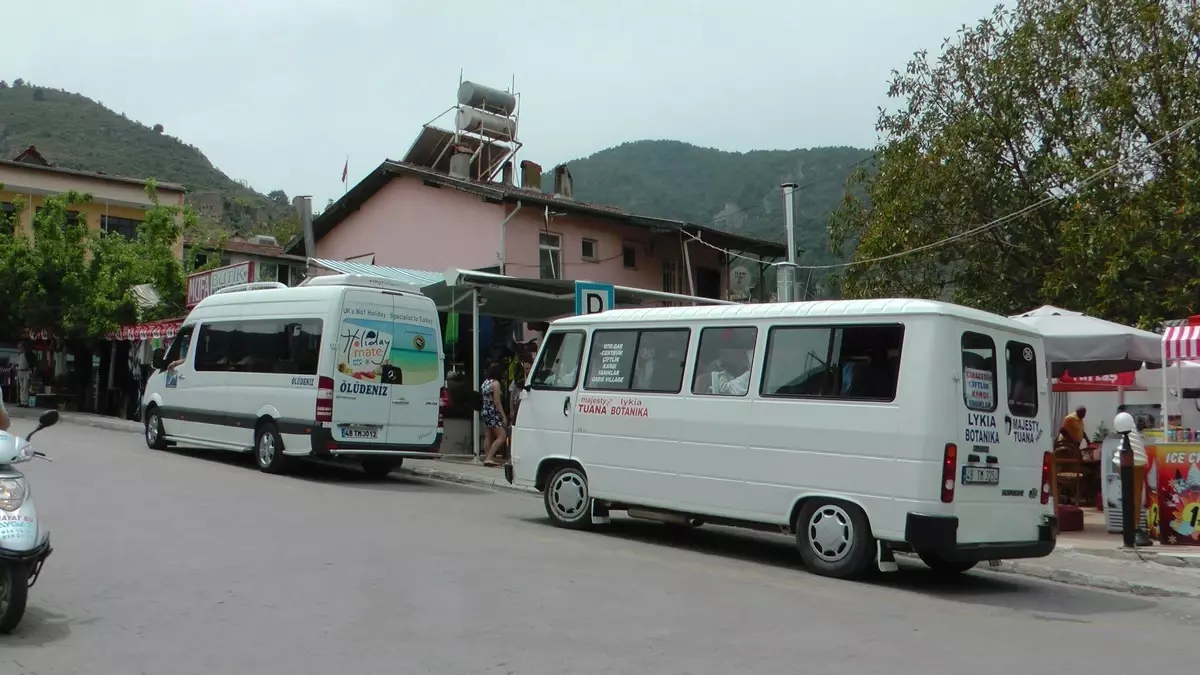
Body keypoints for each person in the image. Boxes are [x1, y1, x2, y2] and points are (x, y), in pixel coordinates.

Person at [480, 364, 508, 467]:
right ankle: (489, 457)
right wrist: (503, 416)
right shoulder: (496, 384)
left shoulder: (485, 383)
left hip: (485, 410)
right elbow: (497, 401)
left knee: (488, 436)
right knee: (502, 436)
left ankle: (488, 457)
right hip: (493, 411)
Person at [16, 341, 32, 408]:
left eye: (20, 347)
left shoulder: (27, 354)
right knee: (21, 388)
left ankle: (26, 402)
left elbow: (31, 363)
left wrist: (31, 371)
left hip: (26, 371)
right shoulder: (19, 355)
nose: (19, 348)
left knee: (25, 387)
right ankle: (22, 401)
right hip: (20, 372)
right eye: (18, 347)